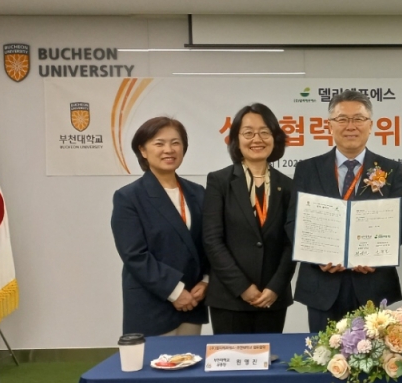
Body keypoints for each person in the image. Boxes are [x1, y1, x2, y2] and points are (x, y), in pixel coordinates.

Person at [286, 89, 402, 333]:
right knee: (323, 352)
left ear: (370, 125)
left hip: (372, 283)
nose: (350, 126)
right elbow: (294, 221)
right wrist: (317, 257)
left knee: (372, 352)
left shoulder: (390, 169)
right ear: (330, 125)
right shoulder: (307, 169)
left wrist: (376, 255)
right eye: (342, 119)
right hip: (322, 284)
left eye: (358, 119)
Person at [111, 117, 209, 336]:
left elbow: (210, 242)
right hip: (152, 304)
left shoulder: (198, 193)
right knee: (156, 359)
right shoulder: (129, 197)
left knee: (190, 357)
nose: (169, 150)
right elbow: (135, 255)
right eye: (159, 143)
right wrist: (175, 291)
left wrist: (206, 281)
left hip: (193, 301)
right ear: (142, 150)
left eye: (175, 143)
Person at [203, 104, 296, 334]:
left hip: (272, 298)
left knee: (271, 355)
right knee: (230, 357)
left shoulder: (287, 185)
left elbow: (292, 242)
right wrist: (242, 287)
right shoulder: (219, 181)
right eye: (248, 133)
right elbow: (212, 240)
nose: (257, 139)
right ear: (236, 139)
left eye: (265, 132)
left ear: (275, 138)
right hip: (230, 298)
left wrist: (275, 287)